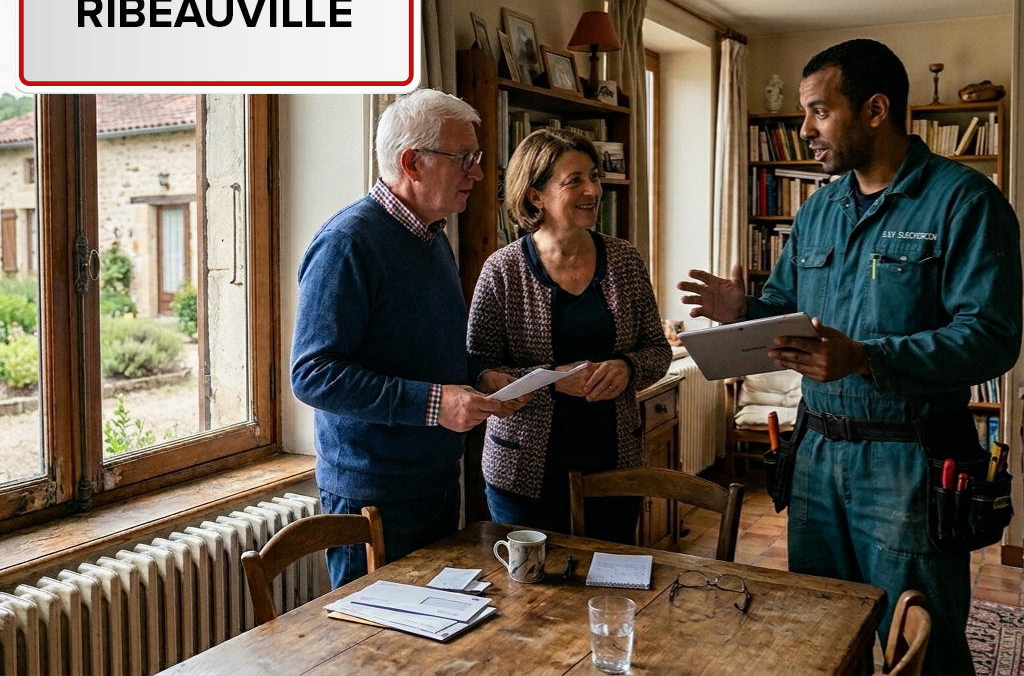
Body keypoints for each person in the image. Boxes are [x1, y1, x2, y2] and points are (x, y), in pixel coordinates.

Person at [678, 39, 1022, 675]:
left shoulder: (964, 202)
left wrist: (865, 358)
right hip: (814, 460)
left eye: (818, 111)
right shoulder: (818, 212)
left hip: (908, 463)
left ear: (874, 109)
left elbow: (993, 338)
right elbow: (784, 312)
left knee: (923, 642)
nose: (804, 130)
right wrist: (743, 309)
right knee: (819, 632)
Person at [291, 89, 527, 588]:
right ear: (411, 163)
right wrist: (435, 403)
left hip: (435, 478)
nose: (479, 173)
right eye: (464, 159)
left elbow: (418, 349)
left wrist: (478, 377)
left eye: (477, 159)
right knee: (375, 655)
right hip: (373, 493)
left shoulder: (431, 235)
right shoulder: (347, 242)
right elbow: (313, 375)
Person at [468, 128, 671, 543]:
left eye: (593, 176)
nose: (592, 189)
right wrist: (553, 381)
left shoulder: (625, 260)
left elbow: (658, 350)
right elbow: (477, 368)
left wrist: (627, 367)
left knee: (611, 583)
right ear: (535, 195)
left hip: (615, 464)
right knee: (529, 600)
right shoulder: (502, 270)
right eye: (574, 180)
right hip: (523, 472)